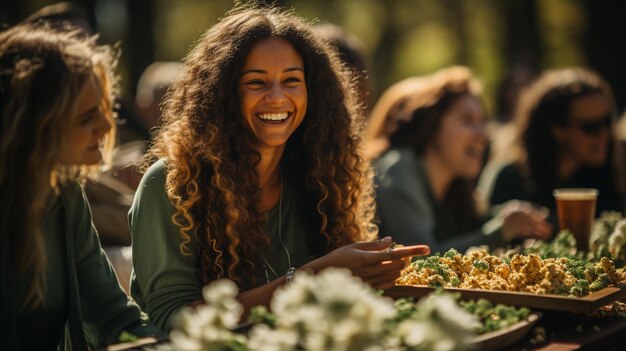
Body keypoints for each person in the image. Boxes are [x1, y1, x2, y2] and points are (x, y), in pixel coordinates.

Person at [129, 5, 429, 333]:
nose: (277, 97)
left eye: (291, 81)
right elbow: (172, 320)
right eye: (257, 82)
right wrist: (314, 279)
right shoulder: (171, 184)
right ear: (222, 95)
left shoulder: (318, 179)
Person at [0, 24, 163, 350]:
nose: (106, 126)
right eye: (87, 116)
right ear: (36, 122)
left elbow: (113, 316)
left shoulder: (65, 196)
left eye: (105, 108)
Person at [366, 66, 552, 253]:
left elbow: (475, 228)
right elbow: (418, 259)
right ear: (433, 123)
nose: (483, 135)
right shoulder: (400, 168)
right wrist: (500, 233)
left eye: (483, 122)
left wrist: (510, 217)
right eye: (467, 120)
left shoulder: (457, 186)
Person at [479, 67, 626, 221]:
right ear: (558, 130)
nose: (604, 135)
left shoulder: (609, 179)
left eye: (608, 122)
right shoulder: (510, 180)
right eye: (590, 127)